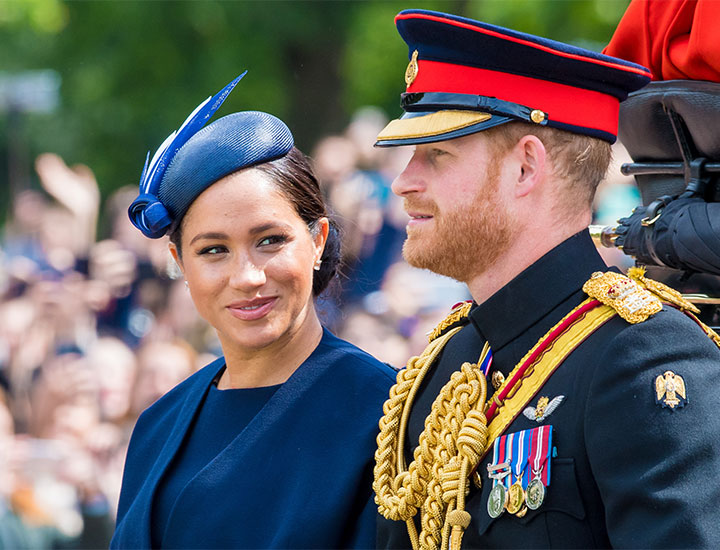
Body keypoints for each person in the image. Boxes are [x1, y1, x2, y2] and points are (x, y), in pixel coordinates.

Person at [371, 9, 720, 550]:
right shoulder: (443, 366)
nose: (403, 182)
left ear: (525, 168)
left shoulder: (642, 355)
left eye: (435, 154)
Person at [110, 75, 396, 549]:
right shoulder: (157, 426)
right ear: (179, 263)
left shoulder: (384, 413)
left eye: (270, 241)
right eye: (213, 250)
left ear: (318, 240)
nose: (247, 276)